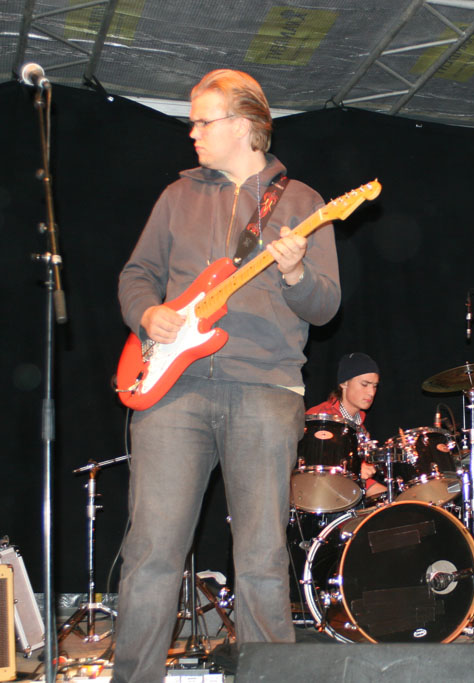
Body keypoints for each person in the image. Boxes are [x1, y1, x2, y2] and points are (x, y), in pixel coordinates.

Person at [115, 69, 340, 682]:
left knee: (262, 558)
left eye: (202, 121)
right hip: (174, 391)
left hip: (265, 389)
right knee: (152, 552)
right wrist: (148, 313)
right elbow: (137, 274)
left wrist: (295, 274)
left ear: (243, 126)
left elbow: (325, 307)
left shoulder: (304, 203)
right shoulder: (177, 196)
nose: (192, 132)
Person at [306, 352, 387, 499]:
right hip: (318, 495)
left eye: (375, 386)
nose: (371, 392)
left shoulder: (361, 429)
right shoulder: (320, 416)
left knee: (395, 502)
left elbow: (362, 480)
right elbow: (313, 468)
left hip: (348, 494)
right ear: (344, 383)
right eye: (364, 384)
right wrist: (355, 469)